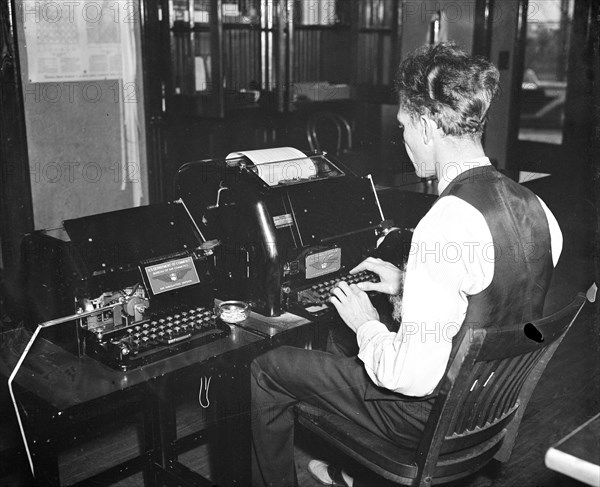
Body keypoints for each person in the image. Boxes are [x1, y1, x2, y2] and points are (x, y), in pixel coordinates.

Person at [250, 42, 563, 487]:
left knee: (270, 367)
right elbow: (496, 297)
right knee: (345, 341)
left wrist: (365, 325)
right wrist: (406, 283)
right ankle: (355, 475)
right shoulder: (539, 209)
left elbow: (409, 377)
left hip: (427, 416)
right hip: (486, 406)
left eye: (403, 126)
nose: (402, 139)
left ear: (426, 123)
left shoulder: (444, 221)